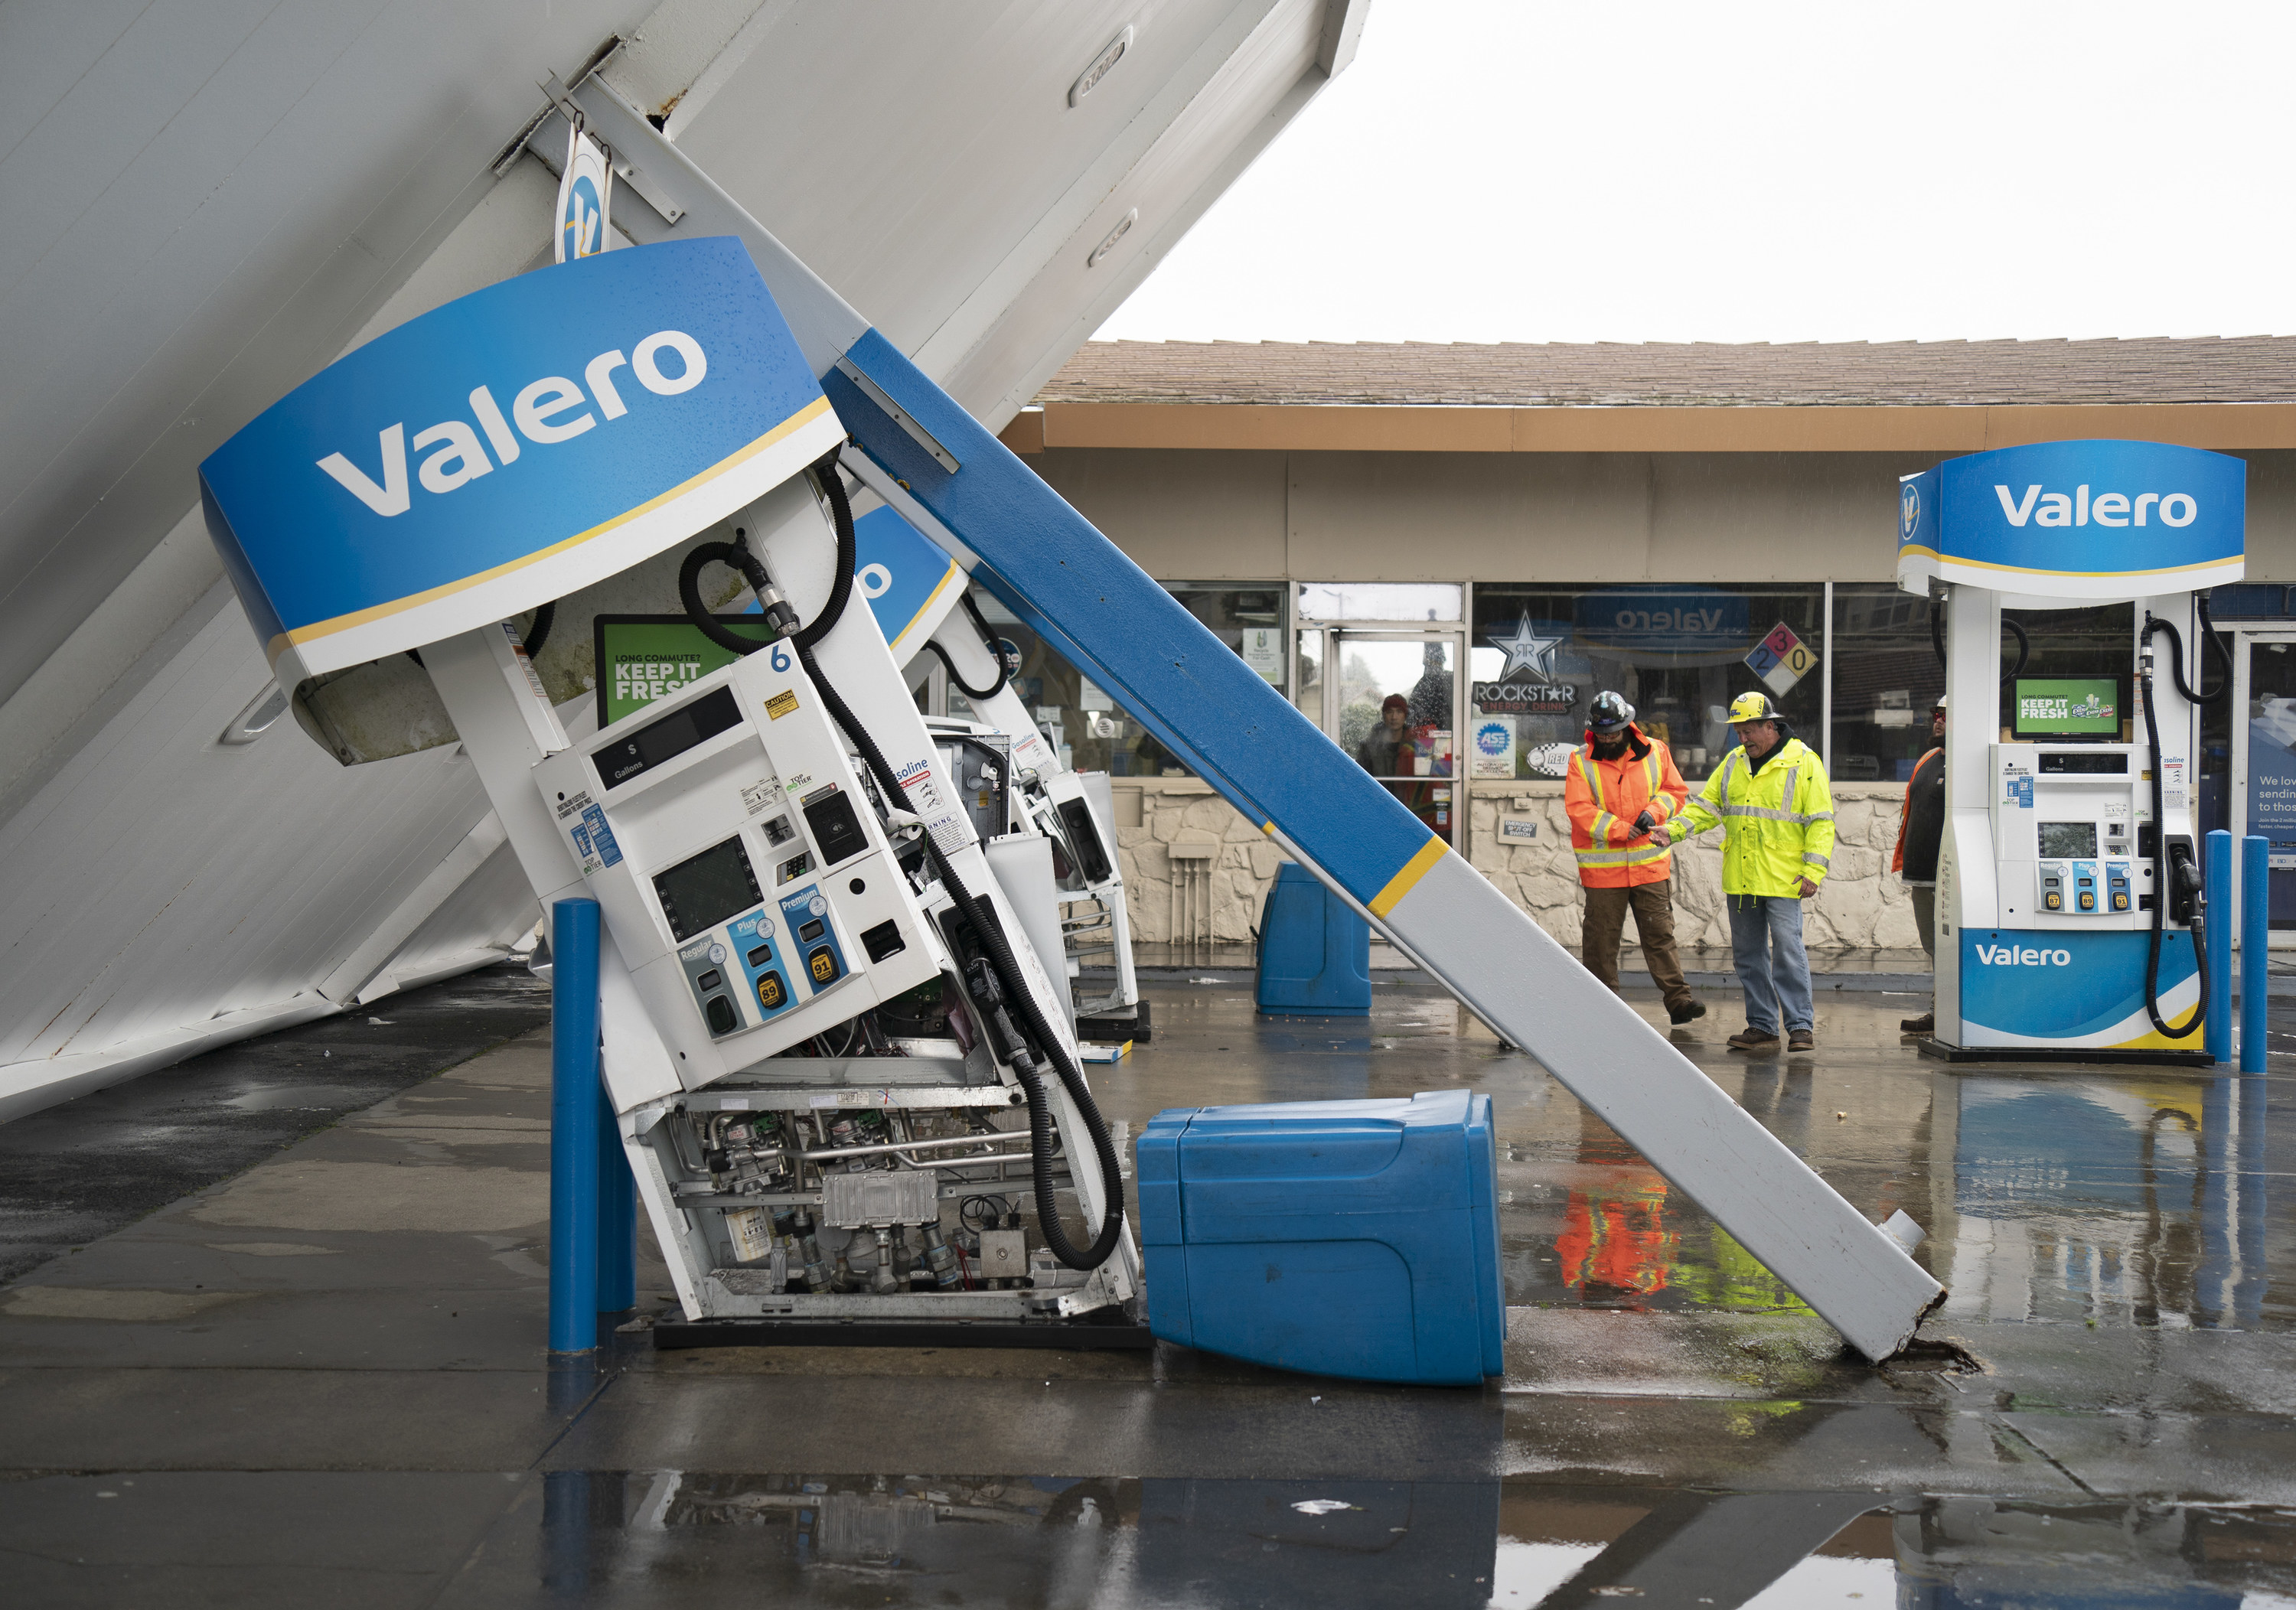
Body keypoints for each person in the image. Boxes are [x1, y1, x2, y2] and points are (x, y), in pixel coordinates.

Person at [1668, 690, 1835, 1053]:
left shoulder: (1804, 763)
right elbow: (1706, 808)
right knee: (1748, 955)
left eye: (1749, 732)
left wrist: (1813, 871)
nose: (1743, 740)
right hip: (1742, 877)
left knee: (1788, 951)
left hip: (1783, 877)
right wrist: (1672, 830)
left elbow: (1821, 823)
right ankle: (1762, 1026)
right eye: (1738, 733)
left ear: (1770, 726)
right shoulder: (1733, 763)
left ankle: (1800, 1027)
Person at [1564, 691, 1704, 1024]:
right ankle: (1603, 1009)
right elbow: (1579, 809)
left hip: (1649, 867)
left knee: (1660, 936)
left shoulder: (1658, 752)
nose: (1608, 738)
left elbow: (1675, 793)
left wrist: (1652, 813)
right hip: (1604, 874)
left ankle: (1679, 1001)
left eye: (1613, 732)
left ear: (1628, 726)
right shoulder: (1580, 760)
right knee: (1600, 942)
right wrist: (1617, 829)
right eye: (1602, 733)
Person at [1891, 693, 1947, 1034]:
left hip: (1950, 876)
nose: (1938, 719)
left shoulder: (1969, 764)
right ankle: (1939, 1011)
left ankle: (1950, 1013)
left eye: (1946, 714)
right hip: (1922, 874)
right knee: (1934, 948)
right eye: (1936, 713)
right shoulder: (1928, 758)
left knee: (1952, 946)